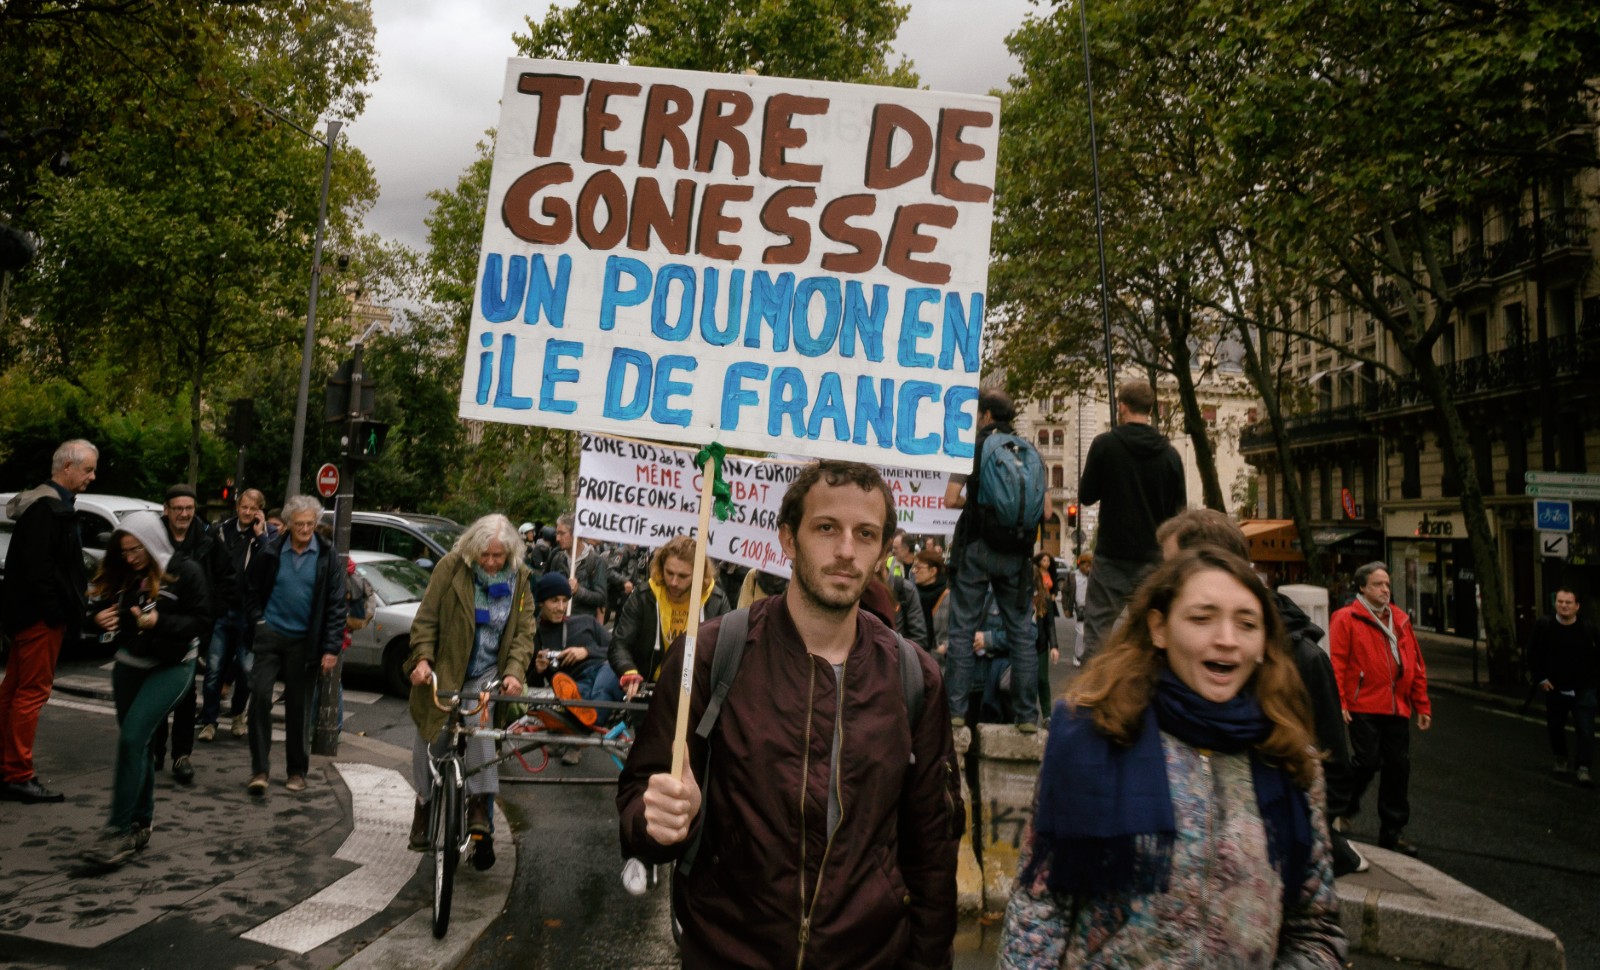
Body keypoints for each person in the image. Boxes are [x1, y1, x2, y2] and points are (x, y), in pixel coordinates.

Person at [618, 460, 962, 969]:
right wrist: (660, 820)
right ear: (787, 538)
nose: (846, 550)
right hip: (727, 951)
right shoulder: (710, 655)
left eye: (865, 534)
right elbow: (639, 799)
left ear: (883, 549)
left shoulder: (915, 678)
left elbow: (932, 850)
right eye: (827, 528)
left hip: (870, 957)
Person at [998, 546, 1346, 968]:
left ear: (1263, 643)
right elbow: (1039, 912)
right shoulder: (1090, 738)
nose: (1227, 639)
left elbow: (1315, 931)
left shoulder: (1290, 760)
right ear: (1159, 628)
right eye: (1202, 618)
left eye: (1247, 623)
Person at [1156, 507, 1366, 876]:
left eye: (1169, 568)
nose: (1159, 580)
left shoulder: (1302, 659)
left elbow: (1332, 775)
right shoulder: (1157, 653)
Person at [403, 514, 534, 866]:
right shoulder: (450, 568)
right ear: (473, 550)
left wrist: (514, 672)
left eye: (498, 556)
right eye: (485, 556)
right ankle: (425, 803)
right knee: (429, 738)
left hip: (487, 670)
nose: (491, 563)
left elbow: (523, 632)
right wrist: (422, 659)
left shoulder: (520, 578)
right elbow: (426, 618)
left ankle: (479, 803)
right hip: (446, 667)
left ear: (509, 554)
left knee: (480, 722)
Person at [81, 511, 208, 867]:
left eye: (137, 549)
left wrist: (159, 622)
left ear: (153, 543)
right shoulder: (123, 571)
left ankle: (118, 829)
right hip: (129, 666)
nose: (131, 556)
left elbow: (202, 621)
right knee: (140, 744)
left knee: (132, 739)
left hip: (172, 666)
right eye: (125, 550)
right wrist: (99, 616)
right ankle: (141, 822)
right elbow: (101, 602)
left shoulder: (186, 572)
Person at [943, 388, 1048, 733]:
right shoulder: (1031, 452)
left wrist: (978, 505)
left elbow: (950, 499)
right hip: (1017, 555)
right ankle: (1027, 716)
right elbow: (1045, 511)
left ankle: (955, 712)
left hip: (976, 549)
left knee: (961, 629)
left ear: (986, 415)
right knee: (1020, 633)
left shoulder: (972, 450)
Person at [0, 438, 96, 803]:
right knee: (30, 693)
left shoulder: (42, 506)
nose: (92, 476)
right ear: (66, 468)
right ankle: (19, 774)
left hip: (29, 616)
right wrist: (57, 612)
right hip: (40, 619)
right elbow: (42, 570)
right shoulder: (50, 509)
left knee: (14, 691)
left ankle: (10, 769)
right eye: (88, 469)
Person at [1076, 380, 1186, 661]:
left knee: (1098, 629)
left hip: (1113, 554)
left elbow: (1086, 496)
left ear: (1121, 407)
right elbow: (1179, 514)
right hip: (1153, 558)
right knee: (1152, 632)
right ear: (1150, 409)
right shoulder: (1170, 455)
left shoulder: (1105, 445)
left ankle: (1093, 693)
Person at [244, 495, 347, 795]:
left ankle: (296, 771)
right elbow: (250, 590)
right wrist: (258, 621)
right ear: (288, 525)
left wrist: (331, 649)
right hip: (270, 634)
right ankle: (259, 769)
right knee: (260, 696)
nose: (304, 529)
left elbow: (336, 605)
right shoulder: (271, 551)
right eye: (299, 524)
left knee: (299, 709)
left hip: (305, 642)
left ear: (316, 524)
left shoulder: (328, 556)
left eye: (310, 524)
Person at [1329, 561, 1431, 857]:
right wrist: (1341, 702)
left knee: (1398, 769)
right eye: (1378, 584)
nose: (1385, 589)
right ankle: (1344, 807)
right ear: (1362, 587)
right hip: (1364, 704)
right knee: (1368, 761)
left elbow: (1416, 664)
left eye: (1387, 584)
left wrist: (1421, 703)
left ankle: (1393, 832)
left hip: (1397, 707)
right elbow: (1337, 662)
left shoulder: (1399, 619)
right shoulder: (1346, 618)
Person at [150, 484, 237, 785]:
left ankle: (181, 756)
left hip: (192, 628)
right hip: (155, 625)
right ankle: (155, 752)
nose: (184, 514)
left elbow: (228, 578)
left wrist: (210, 611)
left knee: (186, 695)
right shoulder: (153, 537)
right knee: (156, 692)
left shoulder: (209, 538)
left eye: (189, 508)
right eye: (178, 509)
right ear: (167, 510)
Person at [607, 535, 732, 700]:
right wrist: (628, 671)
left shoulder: (715, 600)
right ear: (661, 567)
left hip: (696, 693)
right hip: (650, 688)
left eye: (683, 576)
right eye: (669, 573)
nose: (673, 582)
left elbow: (728, 653)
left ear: (699, 575)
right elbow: (619, 643)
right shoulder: (645, 595)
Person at [200, 488, 276, 742]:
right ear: (237, 507)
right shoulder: (220, 531)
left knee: (246, 670)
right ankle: (209, 720)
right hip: (223, 610)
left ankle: (237, 714)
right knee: (213, 668)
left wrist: (261, 536)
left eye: (253, 509)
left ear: (260, 511)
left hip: (248, 614)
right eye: (244, 507)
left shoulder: (267, 537)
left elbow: (272, 564)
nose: (247, 512)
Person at [1529, 587, 1598, 786]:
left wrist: (1594, 682)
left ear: (1577, 606)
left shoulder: (1587, 628)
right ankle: (1560, 757)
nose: (1563, 606)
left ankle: (1583, 767)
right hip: (1555, 687)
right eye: (1560, 602)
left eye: (1568, 603)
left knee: (1585, 729)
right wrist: (1541, 678)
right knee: (1555, 726)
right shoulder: (1545, 626)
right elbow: (1532, 653)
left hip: (1584, 688)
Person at [549, 513, 609, 622]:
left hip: (582, 627)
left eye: (562, 533)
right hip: (558, 624)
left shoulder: (596, 561)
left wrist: (579, 591)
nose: (557, 538)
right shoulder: (557, 558)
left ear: (576, 534)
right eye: (557, 533)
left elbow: (601, 599)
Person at [1032, 552, 1060, 719]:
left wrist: (1054, 646)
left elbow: (1050, 624)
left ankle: (1047, 715)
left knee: (1043, 679)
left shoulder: (1046, 600)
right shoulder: (1020, 600)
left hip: (1041, 644)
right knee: (1025, 681)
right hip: (1024, 645)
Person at [911, 546, 947, 655]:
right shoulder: (911, 592)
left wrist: (943, 648)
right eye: (914, 567)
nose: (913, 571)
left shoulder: (947, 595)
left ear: (933, 571)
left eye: (918, 568)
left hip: (938, 659)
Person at [1068, 552, 1092, 666]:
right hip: (1079, 609)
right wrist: (1066, 608)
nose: (1088, 568)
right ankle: (1077, 656)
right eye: (1086, 565)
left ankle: (1086, 655)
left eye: (1090, 565)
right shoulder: (1073, 576)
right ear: (1080, 564)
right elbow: (1065, 592)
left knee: (1089, 632)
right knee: (1081, 632)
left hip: (1091, 608)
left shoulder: (1092, 577)